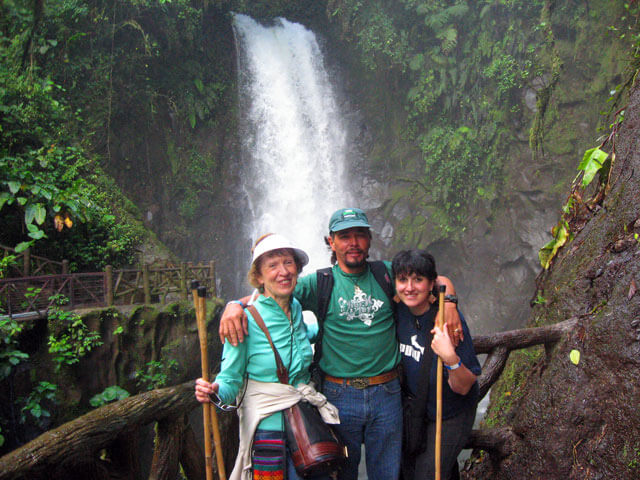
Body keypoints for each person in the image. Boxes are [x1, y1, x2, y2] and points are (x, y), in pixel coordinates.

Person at [219, 208, 463, 480]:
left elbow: (435, 279)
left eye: (360, 235)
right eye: (344, 236)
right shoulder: (319, 283)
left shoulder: (387, 274)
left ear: (369, 240)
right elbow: (273, 290)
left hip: (387, 393)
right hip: (339, 397)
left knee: (387, 474)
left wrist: (449, 302)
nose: (353, 243)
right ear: (331, 242)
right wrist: (235, 305)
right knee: (341, 473)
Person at [195, 233, 339, 480]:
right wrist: (214, 390)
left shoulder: (296, 310)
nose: (283, 271)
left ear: (297, 269)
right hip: (268, 431)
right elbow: (230, 379)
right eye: (272, 265)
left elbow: (309, 334)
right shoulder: (243, 321)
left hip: (304, 426)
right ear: (259, 277)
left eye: (288, 263)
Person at [392, 249, 481, 480]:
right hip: (417, 410)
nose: (409, 287)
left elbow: (464, 385)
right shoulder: (398, 309)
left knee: (429, 474)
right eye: (403, 280)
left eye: (418, 280)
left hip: (450, 411)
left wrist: (450, 357)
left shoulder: (448, 321)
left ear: (431, 283)